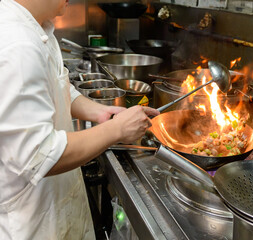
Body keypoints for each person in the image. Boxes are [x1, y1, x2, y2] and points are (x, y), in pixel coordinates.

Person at [0, 0, 160, 239]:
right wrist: (117, 129)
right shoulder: (18, 44)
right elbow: (39, 155)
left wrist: (101, 112)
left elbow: (58, 86)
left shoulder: (39, 27)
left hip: (54, 204)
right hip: (34, 220)